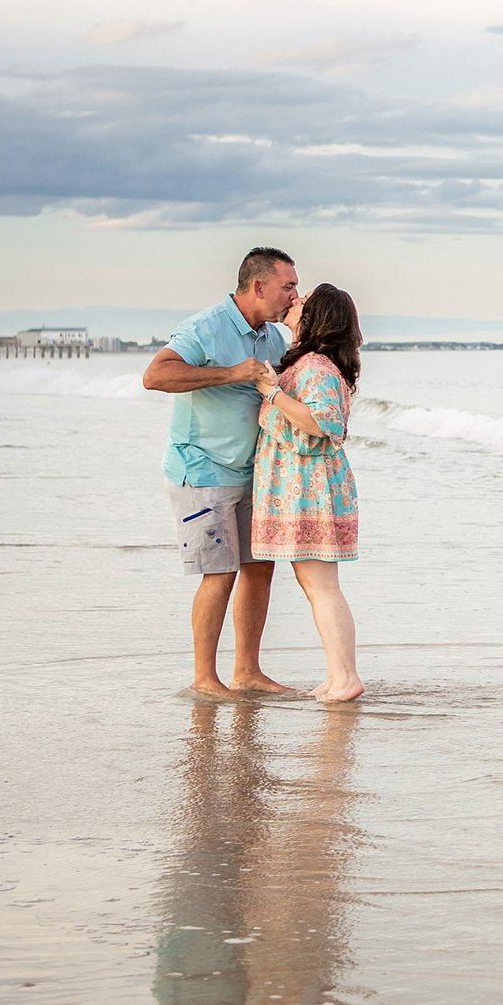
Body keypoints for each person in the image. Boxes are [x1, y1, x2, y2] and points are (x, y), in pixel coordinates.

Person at [144, 248, 301, 699]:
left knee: (260, 567)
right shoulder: (203, 327)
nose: (293, 295)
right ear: (258, 286)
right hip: (202, 468)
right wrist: (232, 373)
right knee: (220, 572)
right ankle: (204, 678)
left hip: (253, 469)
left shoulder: (273, 336)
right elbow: (155, 376)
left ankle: (248, 672)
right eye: (287, 286)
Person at [252, 284, 364, 703]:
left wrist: (272, 393)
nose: (294, 302)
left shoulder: (316, 365)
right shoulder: (313, 362)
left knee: (322, 586)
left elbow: (324, 423)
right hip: (306, 487)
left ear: (317, 316)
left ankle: (346, 676)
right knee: (316, 585)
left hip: (311, 489)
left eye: (302, 300)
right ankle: (338, 674)